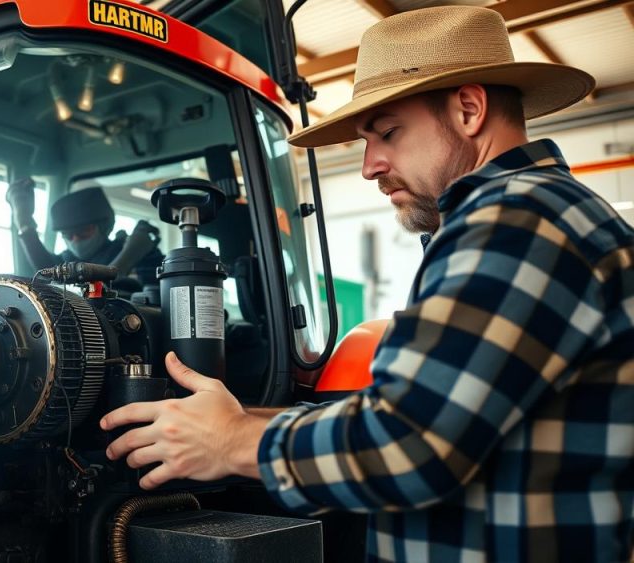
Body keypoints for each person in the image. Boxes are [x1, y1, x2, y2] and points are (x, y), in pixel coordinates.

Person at [100, 6, 634, 562]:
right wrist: (240, 417)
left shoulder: (516, 219)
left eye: (388, 133)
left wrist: (232, 443)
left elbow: (413, 443)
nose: (370, 165)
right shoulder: (535, 216)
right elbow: (422, 410)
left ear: (469, 109)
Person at [6, 177, 163, 286]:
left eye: (83, 232)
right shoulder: (64, 262)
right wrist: (24, 223)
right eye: (67, 235)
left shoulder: (131, 251)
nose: (75, 239)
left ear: (103, 226)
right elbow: (43, 269)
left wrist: (134, 252)